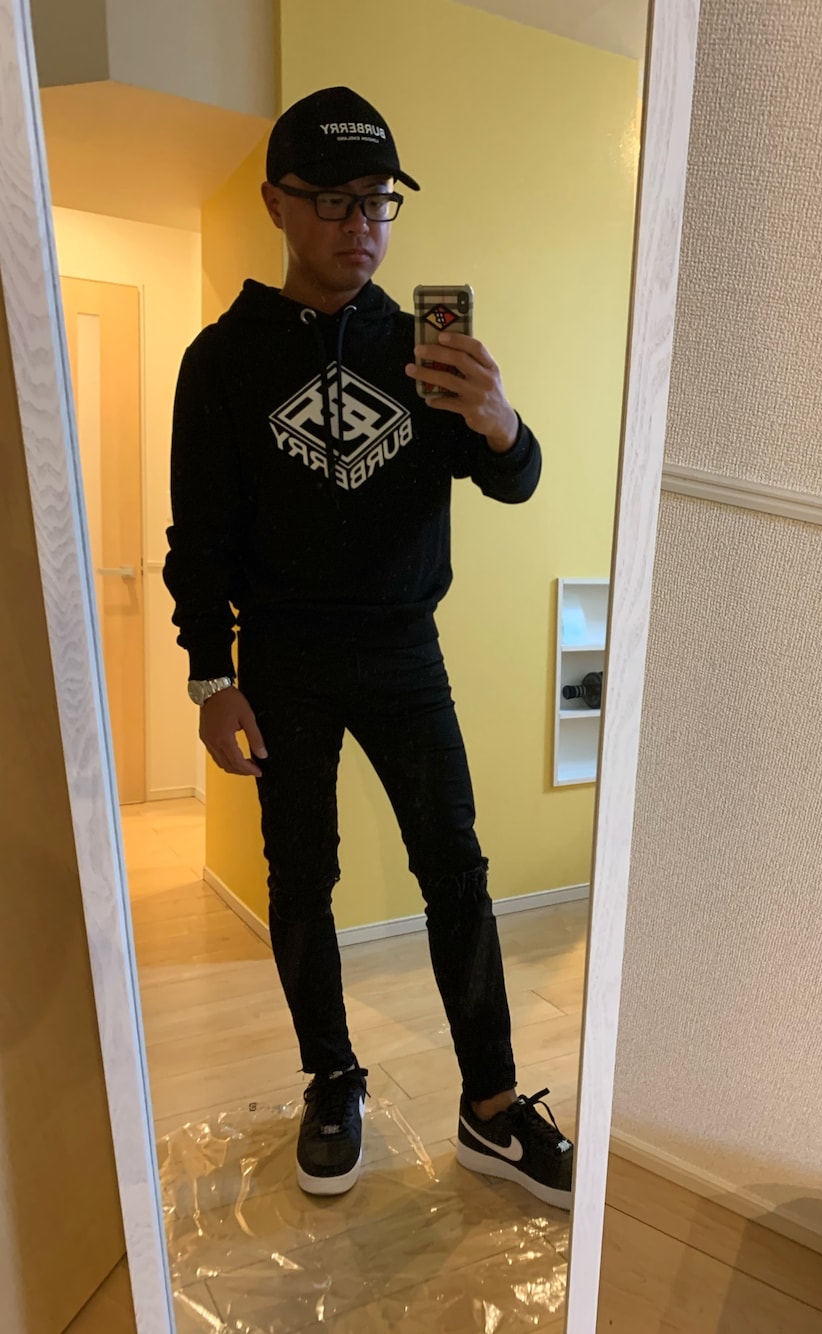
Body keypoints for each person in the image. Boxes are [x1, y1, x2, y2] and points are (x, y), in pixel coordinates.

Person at [163, 86, 573, 1210]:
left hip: (405, 654)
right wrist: (211, 677)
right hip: (281, 660)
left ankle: (491, 1104)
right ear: (277, 204)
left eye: (380, 199)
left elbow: (516, 479)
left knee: (456, 868)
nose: (362, 223)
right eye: (335, 200)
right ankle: (332, 1077)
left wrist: (499, 421)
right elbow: (199, 541)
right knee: (301, 876)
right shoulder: (222, 361)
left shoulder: (419, 346)